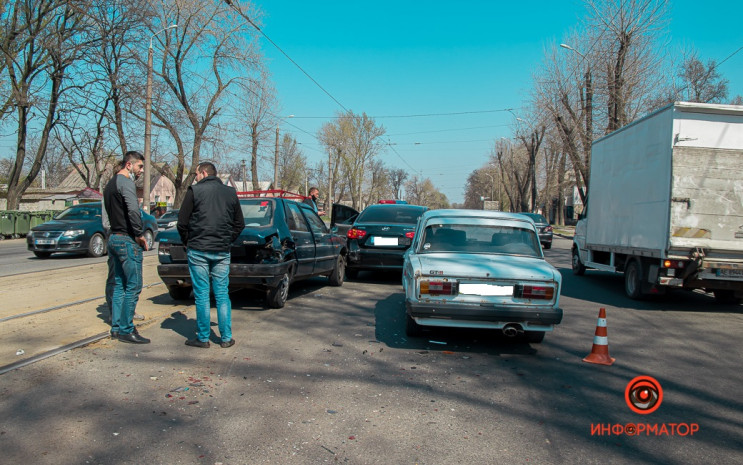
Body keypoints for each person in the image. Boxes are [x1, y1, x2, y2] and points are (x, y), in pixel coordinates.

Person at [177, 162, 244, 349]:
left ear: (204, 173)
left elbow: (182, 222)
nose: (196, 177)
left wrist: (188, 241)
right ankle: (226, 338)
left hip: (198, 249)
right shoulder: (230, 193)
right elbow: (240, 224)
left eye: (197, 173)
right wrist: (227, 240)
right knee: (222, 294)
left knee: (202, 295)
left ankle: (203, 338)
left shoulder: (195, 191)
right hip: (222, 250)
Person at [103, 151, 150, 344]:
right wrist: (139, 234)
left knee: (120, 285)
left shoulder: (110, 184)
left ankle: (116, 327)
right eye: (139, 167)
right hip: (126, 240)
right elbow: (132, 210)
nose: (141, 171)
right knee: (134, 285)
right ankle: (126, 329)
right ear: (129, 165)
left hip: (113, 238)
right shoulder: (126, 183)